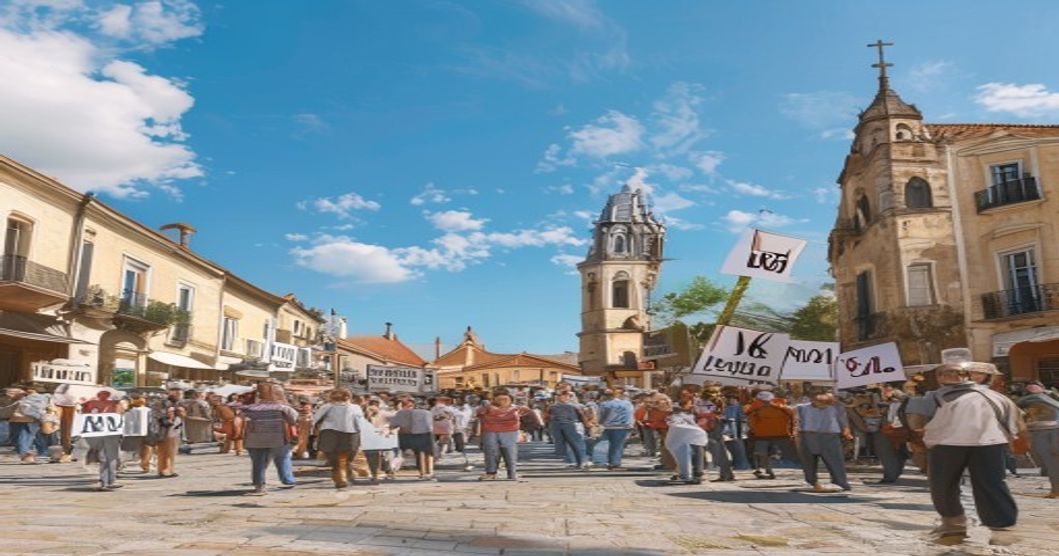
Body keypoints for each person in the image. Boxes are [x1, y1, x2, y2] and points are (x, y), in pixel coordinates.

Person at [922, 362, 1025, 545]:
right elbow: (1015, 421)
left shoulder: (933, 397)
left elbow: (916, 423)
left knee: (943, 485)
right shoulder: (996, 396)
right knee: (992, 483)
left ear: (939, 377)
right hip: (989, 443)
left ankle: (953, 525)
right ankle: (1002, 529)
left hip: (947, 445)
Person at [241, 383, 299, 496]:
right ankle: (288, 479)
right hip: (278, 438)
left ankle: (259, 487)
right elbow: (293, 420)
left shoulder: (250, 408)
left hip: (254, 439)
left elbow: (243, 420)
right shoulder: (284, 408)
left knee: (258, 463)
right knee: (283, 457)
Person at [796, 388, 853, 492]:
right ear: (813, 400)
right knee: (808, 461)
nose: (823, 404)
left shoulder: (837, 407)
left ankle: (840, 482)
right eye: (820, 401)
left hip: (829, 435)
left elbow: (843, 420)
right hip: (808, 434)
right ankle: (811, 481)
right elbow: (797, 421)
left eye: (826, 402)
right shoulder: (801, 408)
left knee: (835, 460)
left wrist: (846, 432)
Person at [1015, 381, 1059, 498]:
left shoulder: (1052, 396)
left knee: (1052, 462)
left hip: (1054, 431)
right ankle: (1056, 489)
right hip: (1038, 433)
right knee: (1047, 461)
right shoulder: (1025, 401)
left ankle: (1056, 490)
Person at [477, 391, 534, 481]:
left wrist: (524, 431)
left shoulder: (517, 409)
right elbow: (478, 414)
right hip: (490, 432)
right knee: (491, 452)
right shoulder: (487, 408)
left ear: (511, 400)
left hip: (510, 432)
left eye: (505, 399)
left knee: (510, 453)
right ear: (494, 400)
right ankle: (491, 473)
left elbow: (530, 418)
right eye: (499, 399)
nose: (502, 401)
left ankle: (512, 473)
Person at [313, 389, 363, 489]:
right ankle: (345, 476)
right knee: (346, 458)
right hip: (350, 434)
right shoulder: (355, 407)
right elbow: (359, 422)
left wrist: (314, 433)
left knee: (335, 460)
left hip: (330, 434)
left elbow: (315, 419)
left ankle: (341, 477)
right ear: (348, 397)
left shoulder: (326, 407)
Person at [746, 391, 795, 479]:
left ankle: (764, 469)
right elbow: (793, 417)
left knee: (760, 452)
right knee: (774, 453)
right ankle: (769, 469)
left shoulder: (755, 408)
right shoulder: (784, 408)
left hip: (761, 435)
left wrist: (752, 431)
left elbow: (751, 422)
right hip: (782, 434)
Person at [81, 391, 124, 491]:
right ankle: (105, 481)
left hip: (111, 434)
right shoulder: (92, 403)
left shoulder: (116, 404)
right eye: (102, 394)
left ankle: (110, 481)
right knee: (104, 457)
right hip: (99, 434)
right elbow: (86, 417)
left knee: (111, 457)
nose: (104, 396)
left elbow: (121, 417)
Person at [389, 398, 436, 480]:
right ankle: (424, 472)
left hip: (405, 435)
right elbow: (430, 426)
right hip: (423, 434)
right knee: (423, 453)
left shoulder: (401, 413)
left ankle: (392, 471)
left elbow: (393, 425)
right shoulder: (427, 413)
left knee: (400, 454)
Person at [547, 391, 589, 469]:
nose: (562, 397)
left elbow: (582, 416)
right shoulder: (552, 406)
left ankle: (581, 462)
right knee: (570, 445)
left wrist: (586, 425)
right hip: (561, 426)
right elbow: (547, 416)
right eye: (560, 396)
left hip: (571, 426)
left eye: (565, 396)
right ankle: (576, 462)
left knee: (576, 444)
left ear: (569, 397)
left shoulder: (575, 406)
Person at [664, 408, 707, 484]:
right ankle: (696, 474)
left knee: (693, 455)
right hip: (696, 436)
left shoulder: (679, 418)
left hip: (691, 437)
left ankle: (694, 475)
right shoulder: (689, 417)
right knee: (697, 454)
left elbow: (673, 423)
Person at [597, 390, 635, 470]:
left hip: (607, 426)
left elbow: (601, 416)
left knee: (605, 444)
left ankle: (607, 461)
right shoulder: (627, 403)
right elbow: (630, 414)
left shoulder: (604, 404)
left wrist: (600, 423)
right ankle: (615, 463)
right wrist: (630, 425)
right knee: (617, 445)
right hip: (622, 426)